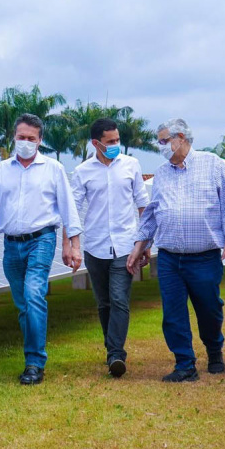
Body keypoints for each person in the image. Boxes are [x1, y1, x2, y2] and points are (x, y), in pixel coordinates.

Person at [0, 113, 84, 385]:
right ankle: (33, 356)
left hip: (42, 240)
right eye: (21, 137)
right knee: (24, 305)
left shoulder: (53, 169)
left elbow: (68, 209)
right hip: (12, 246)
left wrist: (74, 246)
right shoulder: (0, 171)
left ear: (40, 140)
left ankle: (34, 363)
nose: (25, 142)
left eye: (31, 138)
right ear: (14, 137)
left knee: (34, 294)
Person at [126, 118, 225, 382]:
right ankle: (185, 364)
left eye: (164, 141)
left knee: (209, 309)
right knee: (173, 313)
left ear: (181, 138)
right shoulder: (161, 173)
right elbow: (152, 215)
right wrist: (139, 246)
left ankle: (214, 350)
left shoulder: (212, 164)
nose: (160, 147)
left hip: (204, 257)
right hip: (169, 258)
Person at [67, 118, 149, 378]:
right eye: (110, 141)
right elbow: (72, 210)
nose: (116, 145)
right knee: (104, 302)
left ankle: (116, 354)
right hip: (95, 246)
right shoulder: (82, 171)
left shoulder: (131, 165)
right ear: (96, 143)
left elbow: (143, 204)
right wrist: (71, 244)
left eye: (117, 140)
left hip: (126, 245)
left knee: (119, 299)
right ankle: (110, 347)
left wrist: (144, 242)